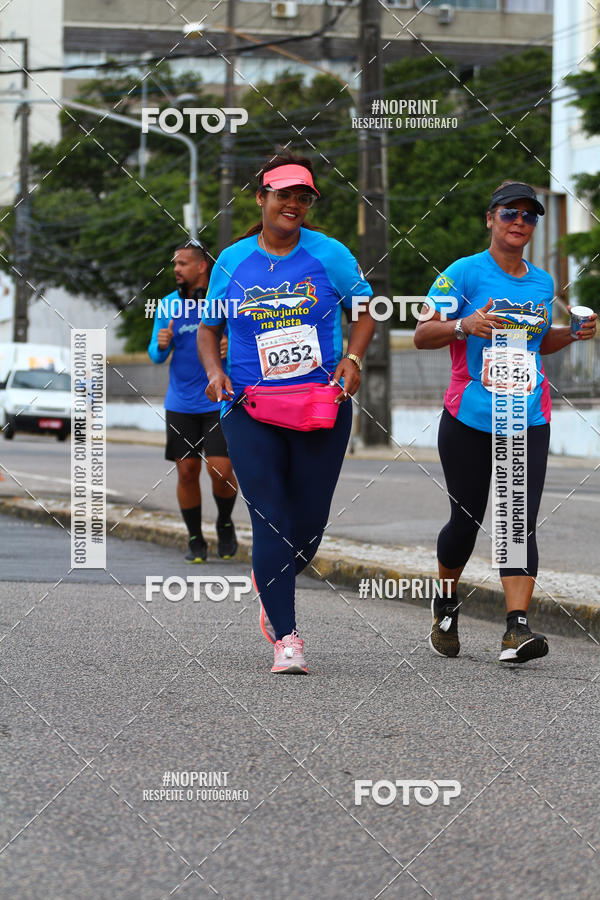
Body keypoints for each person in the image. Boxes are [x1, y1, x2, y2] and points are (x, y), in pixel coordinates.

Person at [197, 152, 375, 674]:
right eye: (283, 194)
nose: (293, 204)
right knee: (270, 519)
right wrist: (214, 371)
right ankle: (287, 637)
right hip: (248, 405)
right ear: (262, 198)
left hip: (322, 403)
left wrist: (353, 356)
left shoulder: (330, 254)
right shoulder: (231, 260)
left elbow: (364, 310)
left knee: (310, 527)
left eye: (303, 196)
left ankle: (268, 576)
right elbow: (209, 328)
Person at [414, 180, 597, 663]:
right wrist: (464, 325)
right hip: (469, 418)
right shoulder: (462, 273)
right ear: (490, 219)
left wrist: (571, 335)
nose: (519, 222)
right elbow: (421, 334)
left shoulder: (540, 282)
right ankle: (446, 603)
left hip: (528, 417)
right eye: (509, 213)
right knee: (467, 519)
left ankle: (516, 629)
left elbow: (538, 343)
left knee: (519, 523)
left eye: (529, 216)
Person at [148, 240, 238, 563]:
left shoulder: (223, 303)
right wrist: (162, 344)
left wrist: (231, 346)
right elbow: (155, 356)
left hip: (219, 401)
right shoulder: (168, 306)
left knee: (221, 470)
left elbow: (247, 341)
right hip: (181, 403)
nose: (176, 269)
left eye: (182, 263)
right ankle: (196, 539)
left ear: (202, 267)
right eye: (175, 264)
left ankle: (225, 523)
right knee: (186, 471)